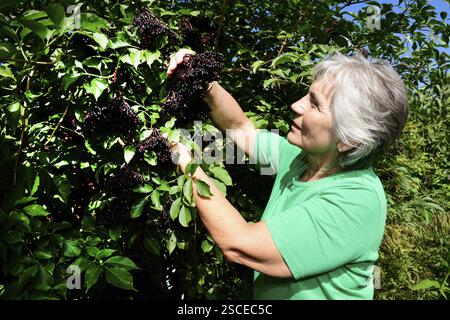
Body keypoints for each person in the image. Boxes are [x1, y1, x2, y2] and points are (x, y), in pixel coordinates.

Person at [166, 49, 409, 300]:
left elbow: (238, 243)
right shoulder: (300, 159)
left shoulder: (357, 199)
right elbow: (242, 129)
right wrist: (203, 81)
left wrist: (183, 159)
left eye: (315, 104)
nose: (297, 105)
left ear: (350, 140)